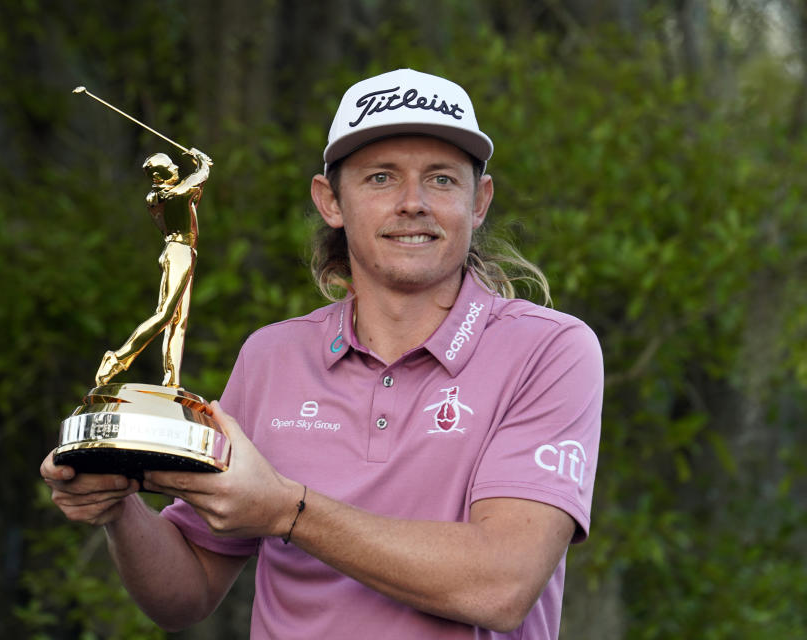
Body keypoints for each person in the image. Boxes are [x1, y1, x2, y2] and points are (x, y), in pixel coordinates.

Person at [41, 68, 603, 639]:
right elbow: (187, 593)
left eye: (440, 179)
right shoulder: (273, 356)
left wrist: (286, 510)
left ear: (478, 201)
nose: (414, 203)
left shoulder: (550, 350)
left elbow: (500, 585)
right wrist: (119, 510)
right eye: (381, 178)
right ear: (330, 200)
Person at [94, 147, 212, 387]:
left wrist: (201, 168)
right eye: (170, 167)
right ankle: (117, 359)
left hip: (186, 253)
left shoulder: (167, 194)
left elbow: (195, 192)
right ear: (159, 177)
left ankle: (172, 381)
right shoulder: (170, 195)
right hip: (178, 252)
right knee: (165, 314)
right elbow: (198, 178)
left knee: (179, 321)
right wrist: (202, 162)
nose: (176, 167)